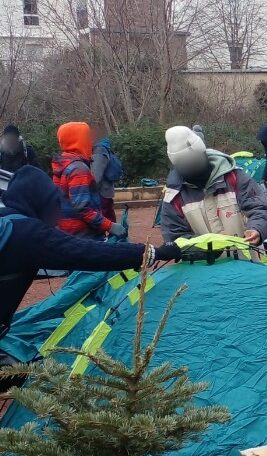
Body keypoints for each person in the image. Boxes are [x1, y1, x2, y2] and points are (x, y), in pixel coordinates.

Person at [0, 166, 180, 339]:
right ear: (41, 203)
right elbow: (89, 253)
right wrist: (154, 252)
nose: (56, 217)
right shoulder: (28, 234)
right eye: (54, 205)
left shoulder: (7, 222)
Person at [160, 126, 267, 245]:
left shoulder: (235, 178)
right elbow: (174, 236)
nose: (191, 168)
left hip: (247, 261)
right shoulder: (174, 196)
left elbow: (260, 208)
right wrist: (208, 246)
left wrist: (256, 229)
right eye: (184, 165)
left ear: (203, 154)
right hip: (202, 263)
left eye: (194, 162)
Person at [53, 121, 121, 240]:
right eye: (87, 137)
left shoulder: (63, 164)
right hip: (84, 235)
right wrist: (110, 226)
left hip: (68, 233)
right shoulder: (78, 169)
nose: (90, 141)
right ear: (78, 140)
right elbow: (82, 209)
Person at [91, 137, 121, 222]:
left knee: (104, 221)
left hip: (102, 192)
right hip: (105, 192)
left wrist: (90, 191)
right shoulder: (101, 148)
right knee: (109, 219)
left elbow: (96, 175)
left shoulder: (98, 150)